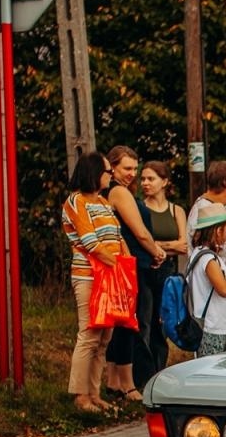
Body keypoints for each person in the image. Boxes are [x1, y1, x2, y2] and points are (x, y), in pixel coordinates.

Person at [102, 145, 169, 403]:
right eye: (126, 168)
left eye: (134, 169)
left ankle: (114, 381)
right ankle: (128, 384)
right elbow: (139, 230)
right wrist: (157, 252)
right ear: (113, 166)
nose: (132, 174)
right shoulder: (118, 191)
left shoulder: (117, 191)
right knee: (132, 324)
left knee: (122, 325)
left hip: (126, 263)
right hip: (132, 264)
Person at [63, 152, 125, 412]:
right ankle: (80, 396)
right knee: (89, 334)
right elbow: (90, 242)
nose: (111, 176)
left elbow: (117, 237)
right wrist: (118, 264)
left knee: (103, 338)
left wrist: (123, 265)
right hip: (89, 275)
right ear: (93, 172)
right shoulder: (76, 201)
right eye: (108, 171)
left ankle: (94, 392)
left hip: (109, 276)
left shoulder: (103, 202)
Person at [137, 160, 188, 374]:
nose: (145, 183)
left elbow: (183, 245)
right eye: (143, 179)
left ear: (164, 181)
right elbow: (139, 240)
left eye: (151, 178)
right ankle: (142, 374)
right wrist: (168, 246)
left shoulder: (176, 210)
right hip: (144, 270)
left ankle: (159, 371)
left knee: (162, 322)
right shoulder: (139, 208)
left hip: (166, 272)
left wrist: (156, 245)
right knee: (144, 323)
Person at [185, 203, 226, 356]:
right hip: (213, 327)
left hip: (213, 325)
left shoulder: (198, 253)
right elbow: (224, 290)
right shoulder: (208, 259)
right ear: (218, 230)